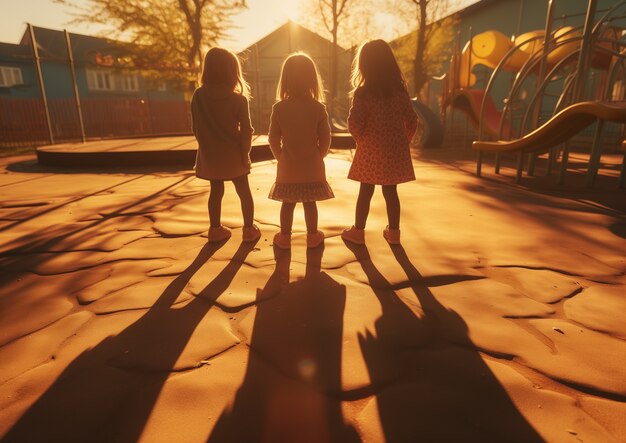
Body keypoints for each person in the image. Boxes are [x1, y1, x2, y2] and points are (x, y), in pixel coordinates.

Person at [341, 39, 419, 245]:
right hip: (394, 151)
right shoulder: (400, 92)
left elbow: (354, 122)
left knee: (365, 191)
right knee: (391, 192)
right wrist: (404, 141)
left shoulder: (363, 94)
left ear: (364, 65)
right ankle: (394, 234)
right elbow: (412, 120)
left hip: (370, 151)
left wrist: (362, 141)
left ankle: (358, 232)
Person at [191, 47, 261, 243]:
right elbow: (247, 131)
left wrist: (206, 147)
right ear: (232, 71)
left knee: (216, 191)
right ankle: (248, 229)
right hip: (234, 154)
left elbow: (195, 127)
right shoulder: (238, 99)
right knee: (244, 192)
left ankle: (215, 229)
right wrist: (245, 153)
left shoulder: (198, 96)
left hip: (211, 155)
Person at [268, 52, 333, 249]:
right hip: (312, 166)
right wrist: (318, 155)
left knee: (287, 204)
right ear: (312, 80)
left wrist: (281, 156)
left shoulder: (279, 109)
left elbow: (272, 139)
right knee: (309, 202)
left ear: (285, 80)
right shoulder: (318, 108)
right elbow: (326, 139)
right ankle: (312, 236)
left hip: (288, 167)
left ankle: (285, 237)